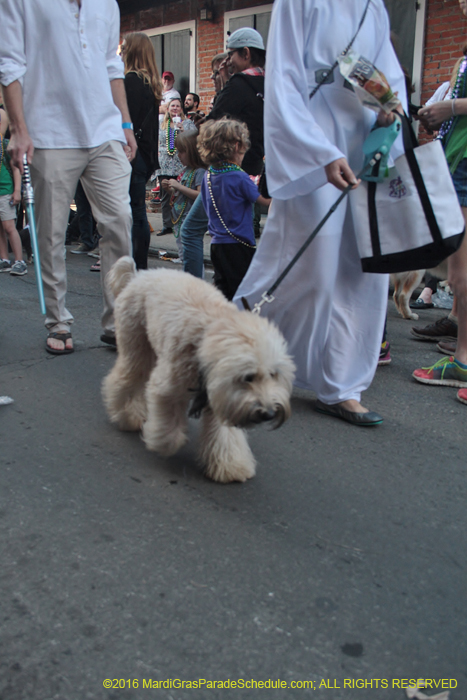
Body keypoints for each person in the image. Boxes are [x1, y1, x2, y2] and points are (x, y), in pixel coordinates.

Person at [233, 0, 407, 426]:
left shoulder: (373, 7)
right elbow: (285, 80)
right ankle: (233, 347)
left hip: (364, 143)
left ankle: (341, 385)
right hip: (313, 142)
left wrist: (392, 110)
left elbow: (388, 74)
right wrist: (318, 154)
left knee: (359, 268)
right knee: (305, 262)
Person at [0, 0, 136, 354]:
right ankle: (58, 320)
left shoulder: (106, 3)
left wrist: (125, 123)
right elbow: (10, 62)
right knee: (50, 232)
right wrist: (18, 128)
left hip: (104, 129)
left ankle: (117, 320)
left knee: (120, 221)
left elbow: (111, 64)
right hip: (49, 130)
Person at [412, 3, 467, 405]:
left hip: (464, 164)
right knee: (458, 271)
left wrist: (451, 107)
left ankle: (464, 361)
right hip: (456, 160)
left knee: (461, 272)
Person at [198, 118, 271, 300]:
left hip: (217, 244)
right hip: (240, 244)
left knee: (223, 289)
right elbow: (265, 200)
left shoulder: (208, 175)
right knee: (243, 292)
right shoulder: (239, 176)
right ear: (238, 146)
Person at [122, 32, 162, 270]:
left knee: (132, 213)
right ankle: (140, 267)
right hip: (145, 157)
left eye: (125, 47)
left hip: (130, 154)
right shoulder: (150, 84)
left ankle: (135, 267)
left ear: (133, 51)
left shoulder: (130, 82)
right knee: (138, 212)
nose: (121, 51)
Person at [206, 28, 265, 178]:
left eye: (231, 54)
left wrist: (225, 87)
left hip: (233, 169)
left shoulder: (239, 84)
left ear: (246, 53)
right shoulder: (270, 82)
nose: (229, 61)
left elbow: (213, 121)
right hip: (258, 167)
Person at [161, 131, 205, 263]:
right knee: (180, 242)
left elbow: (200, 195)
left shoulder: (200, 172)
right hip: (180, 216)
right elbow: (179, 195)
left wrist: (179, 187)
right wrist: (170, 190)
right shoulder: (185, 171)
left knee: (188, 244)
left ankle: (188, 264)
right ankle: (184, 261)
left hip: (190, 216)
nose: (178, 155)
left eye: (181, 151)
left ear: (192, 152)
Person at [154, 97, 196, 237]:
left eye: (178, 106)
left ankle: (182, 222)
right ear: (168, 108)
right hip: (164, 163)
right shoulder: (161, 124)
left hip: (180, 163)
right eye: (172, 106)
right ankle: (167, 224)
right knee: (165, 195)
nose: (175, 108)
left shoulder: (188, 123)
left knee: (180, 193)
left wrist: (183, 131)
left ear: (181, 109)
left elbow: (194, 140)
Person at [0, 128, 26, 275]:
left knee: (9, 227)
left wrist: (17, 191)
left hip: (6, 191)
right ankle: (4, 259)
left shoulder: (5, 145)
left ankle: (19, 260)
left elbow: (16, 169)